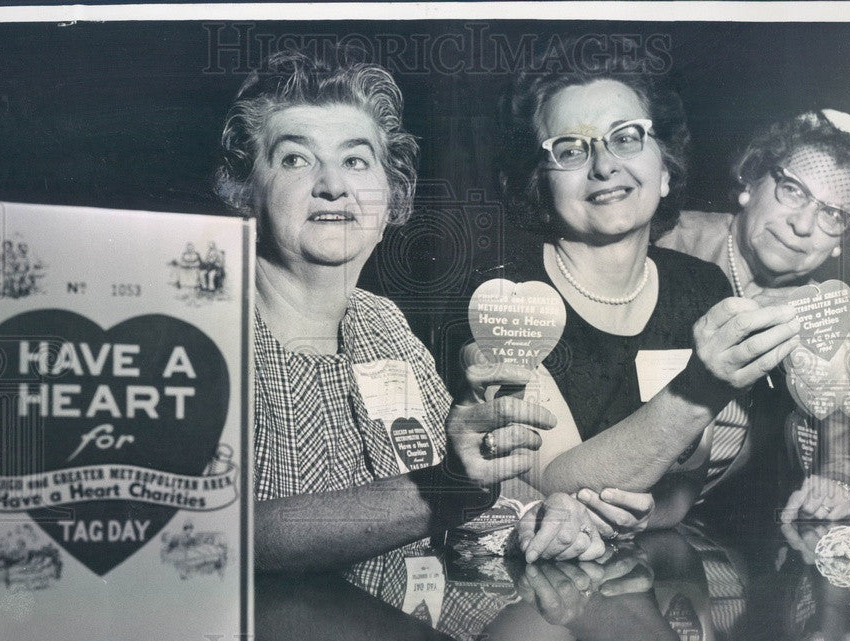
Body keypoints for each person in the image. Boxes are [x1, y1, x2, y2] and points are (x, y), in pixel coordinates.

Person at [215, 48, 602, 584]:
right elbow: (209, 538)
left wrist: (537, 522)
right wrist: (444, 489)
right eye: (295, 159)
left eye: (356, 160)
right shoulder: (208, 329)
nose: (333, 184)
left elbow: (464, 504)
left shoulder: (385, 326)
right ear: (245, 192)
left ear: (390, 197)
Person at [477, 51, 803, 544]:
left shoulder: (699, 286)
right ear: (539, 185)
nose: (605, 166)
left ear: (665, 169)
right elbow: (553, 480)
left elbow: (684, 481)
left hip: (648, 565)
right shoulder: (508, 301)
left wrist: (654, 513)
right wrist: (700, 388)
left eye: (626, 138)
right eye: (570, 150)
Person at [657, 110, 850, 522]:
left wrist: (836, 480)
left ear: (842, 242)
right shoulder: (663, 244)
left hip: (705, 531)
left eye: (833, 215)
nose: (802, 224)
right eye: (793, 190)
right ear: (752, 179)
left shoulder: (821, 312)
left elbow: (837, 439)